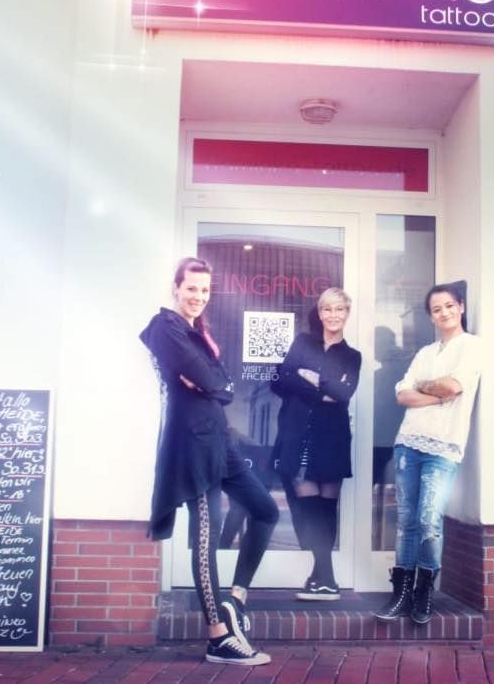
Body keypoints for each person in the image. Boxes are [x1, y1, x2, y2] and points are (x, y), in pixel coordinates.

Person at [140, 257, 278, 665]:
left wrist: (213, 382)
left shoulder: (195, 332)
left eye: (204, 290)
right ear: (175, 288)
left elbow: (221, 383)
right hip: (193, 444)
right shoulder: (167, 327)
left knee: (265, 510)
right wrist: (214, 383)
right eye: (191, 288)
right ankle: (217, 636)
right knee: (206, 539)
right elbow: (218, 383)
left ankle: (235, 598)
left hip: (220, 441)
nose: (198, 296)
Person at [373, 282, 481, 625]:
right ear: (431, 316)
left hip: (444, 447)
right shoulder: (424, 354)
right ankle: (400, 594)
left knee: (429, 521)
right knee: (405, 522)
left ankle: (424, 593)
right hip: (408, 443)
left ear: (460, 307)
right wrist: (436, 392)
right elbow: (403, 395)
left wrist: (430, 388)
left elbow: (454, 386)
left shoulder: (472, 347)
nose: (444, 313)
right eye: (437, 309)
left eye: (449, 306)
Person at [272, 287, 361, 600]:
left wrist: (310, 380)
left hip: (332, 435)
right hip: (298, 434)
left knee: (327, 505)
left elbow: (341, 394)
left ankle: (323, 577)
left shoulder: (352, 356)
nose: (333, 316)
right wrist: (317, 388)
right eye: (327, 309)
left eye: (339, 310)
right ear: (320, 313)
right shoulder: (303, 343)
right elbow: (280, 378)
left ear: (347, 314)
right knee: (307, 504)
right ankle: (326, 576)